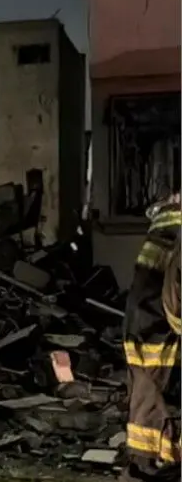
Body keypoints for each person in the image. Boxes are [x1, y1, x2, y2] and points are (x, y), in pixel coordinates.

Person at [122, 193, 180, 481]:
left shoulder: (165, 233)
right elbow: (176, 300)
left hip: (145, 334)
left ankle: (144, 467)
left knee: (147, 413)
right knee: (160, 417)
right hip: (162, 341)